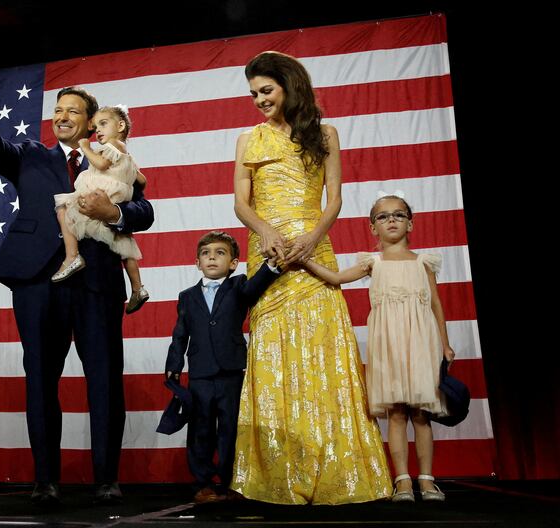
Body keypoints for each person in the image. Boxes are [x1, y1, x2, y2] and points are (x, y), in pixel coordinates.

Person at [0, 43, 154, 504]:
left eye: (72, 111)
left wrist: (115, 214)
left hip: (97, 280)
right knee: (39, 377)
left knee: (104, 378)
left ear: (91, 120)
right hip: (39, 281)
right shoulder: (28, 155)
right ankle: (46, 480)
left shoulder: (115, 160)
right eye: (57, 110)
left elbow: (144, 209)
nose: (61, 116)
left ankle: (106, 479)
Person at [231, 50, 391, 505]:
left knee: (324, 354)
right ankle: (277, 477)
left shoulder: (325, 134)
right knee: (272, 355)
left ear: (289, 86)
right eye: (253, 93)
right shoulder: (248, 140)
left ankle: (338, 473)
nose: (259, 99)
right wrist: (265, 232)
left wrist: (309, 239)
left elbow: (334, 199)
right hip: (269, 257)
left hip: (313, 251)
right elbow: (242, 203)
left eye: (266, 90)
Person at [304, 194, 455, 502]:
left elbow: (436, 305)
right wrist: (304, 259)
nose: (391, 220)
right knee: (397, 414)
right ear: (373, 227)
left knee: (422, 414)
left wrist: (445, 344)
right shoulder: (373, 263)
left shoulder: (423, 263)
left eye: (398, 215)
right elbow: (335, 277)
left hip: (421, 344)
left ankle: (426, 480)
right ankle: (401, 481)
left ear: (410, 223)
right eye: (383, 217)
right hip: (389, 346)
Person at [165, 231, 280, 503]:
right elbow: (180, 333)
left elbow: (256, 287)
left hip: (231, 371)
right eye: (206, 254)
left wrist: (271, 265)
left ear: (233, 263)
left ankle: (231, 481)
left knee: (231, 428)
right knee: (200, 428)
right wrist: (174, 363)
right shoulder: (187, 296)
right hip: (201, 373)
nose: (212, 257)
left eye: (219, 253)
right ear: (197, 263)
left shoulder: (238, 286)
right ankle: (202, 482)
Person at [51, 105, 150, 314]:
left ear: (120, 125)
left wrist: (87, 148)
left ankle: (72, 256)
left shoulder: (110, 146)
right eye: (96, 127)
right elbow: (141, 179)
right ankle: (137, 288)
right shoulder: (126, 154)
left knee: (63, 208)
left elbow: (101, 164)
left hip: (100, 196)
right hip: (116, 194)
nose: (98, 131)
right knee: (125, 244)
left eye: (103, 124)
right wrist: (127, 181)